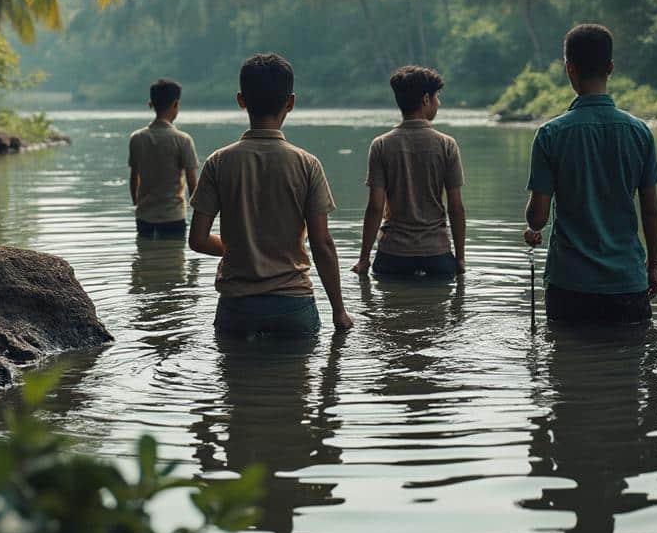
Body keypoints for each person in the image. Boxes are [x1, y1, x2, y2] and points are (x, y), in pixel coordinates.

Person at [189, 53, 352, 334]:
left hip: (236, 309)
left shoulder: (218, 162)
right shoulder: (307, 164)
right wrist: (339, 310)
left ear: (241, 100)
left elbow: (198, 240)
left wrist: (234, 249)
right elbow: (322, 242)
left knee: (234, 376)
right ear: (290, 102)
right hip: (293, 307)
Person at [523, 24, 657, 325]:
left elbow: (538, 218)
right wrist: (652, 268)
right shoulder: (640, 133)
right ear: (611, 67)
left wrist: (531, 225)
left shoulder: (550, 135)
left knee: (567, 365)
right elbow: (650, 211)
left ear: (569, 68)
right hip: (627, 283)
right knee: (630, 364)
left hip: (570, 286)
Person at [352, 66, 467, 279]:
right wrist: (459, 259)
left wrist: (364, 259)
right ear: (426, 100)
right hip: (437, 255)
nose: (438, 103)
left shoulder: (381, 145)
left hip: (393, 255)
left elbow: (375, 207)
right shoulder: (447, 145)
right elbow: (456, 207)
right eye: (437, 97)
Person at [129, 78, 199, 239]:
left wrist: (137, 205)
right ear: (176, 105)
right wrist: (198, 212)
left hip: (144, 216)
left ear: (150, 104)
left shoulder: (137, 138)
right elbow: (192, 182)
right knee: (174, 260)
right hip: (173, 217)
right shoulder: (183, 139)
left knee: (145, 258)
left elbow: (134, 178)